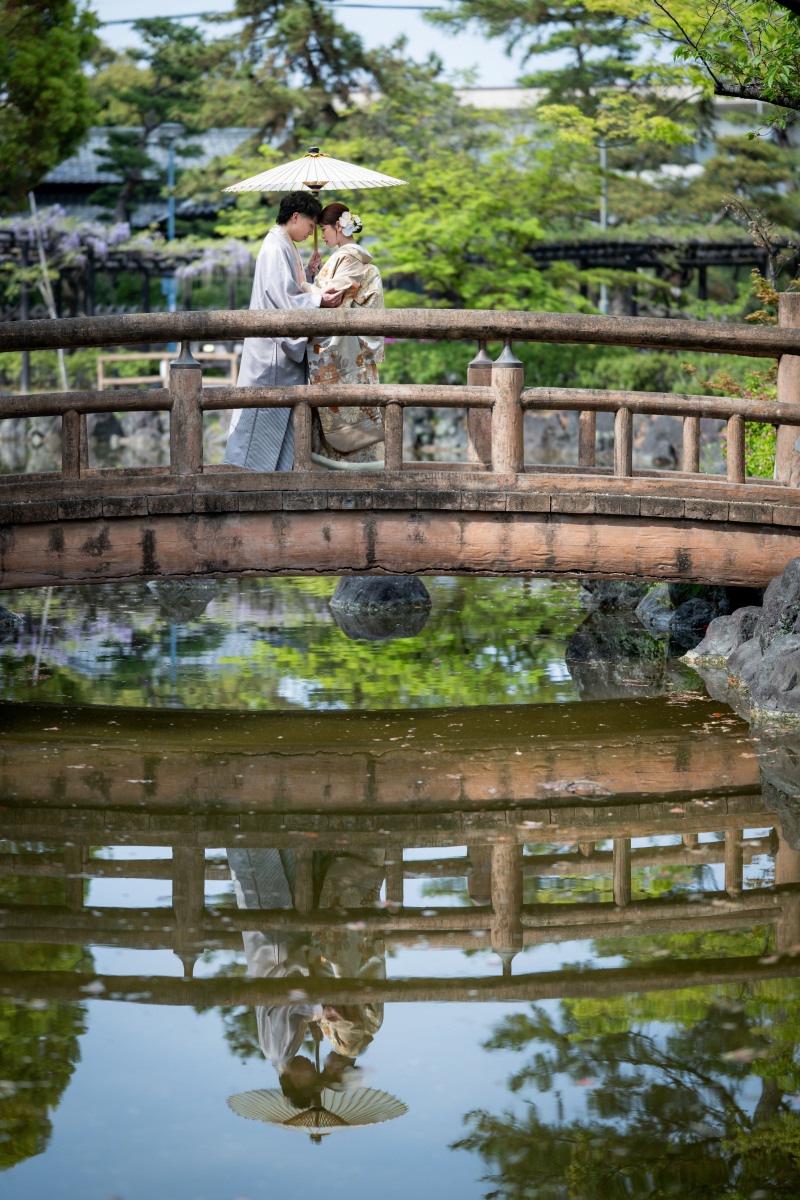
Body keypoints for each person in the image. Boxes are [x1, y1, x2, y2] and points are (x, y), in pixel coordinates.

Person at [223, 192, 344, 472]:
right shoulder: (276, 246)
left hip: (276, 349)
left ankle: (274, 479)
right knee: (261, 415)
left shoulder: (283, 244)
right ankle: (249, 479)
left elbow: (293, 286)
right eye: (311, 226)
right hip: (271, 351)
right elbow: (283, 298)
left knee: (280, 417)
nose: (311, 233)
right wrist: (319, 299)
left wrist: (310, 273)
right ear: (295, 217)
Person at [302, 203, 385, 465]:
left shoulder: (347, 257)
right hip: (354, 350)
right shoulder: (345, 257)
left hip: (345, 349)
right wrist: (313, 273)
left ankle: (340, 473)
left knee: (342, 411)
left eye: (323, 229)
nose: (322, 235)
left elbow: (332, 299)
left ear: (339, 226)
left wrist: (300, 281)